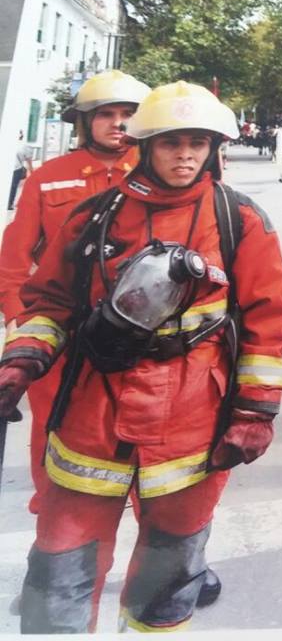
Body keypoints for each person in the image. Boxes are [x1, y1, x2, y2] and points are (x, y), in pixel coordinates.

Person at [0, 80, 282, 633]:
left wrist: (255, 411)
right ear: (145, 145)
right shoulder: (94, 215)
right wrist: (22, 359)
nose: (185, 155)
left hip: (192, 415)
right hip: (94, 406)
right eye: (171, 142)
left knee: (172, 566)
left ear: (213, 148)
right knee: (61, 557)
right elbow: (51, 301)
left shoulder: (240, 219)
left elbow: (268, 319)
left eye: (198, 143)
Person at [0, 70, 148, 517]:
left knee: (140, 424)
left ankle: (152, 523)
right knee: (53, 421)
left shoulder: (156, 174)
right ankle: (53, 511)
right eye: (106, 114)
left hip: (134, 328)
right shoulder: (49, 176)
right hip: (60, 325)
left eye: (128, 115)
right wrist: (18, 324)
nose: (117, 123)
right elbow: (13, 260)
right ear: (85, 121)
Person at [7, 131, 34, 210]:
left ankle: (9, 203)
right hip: (15, 168)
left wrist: (31, 171)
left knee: (11, 186)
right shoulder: (24, 146)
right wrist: (31, 171)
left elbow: (28, 159)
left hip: (15, 168)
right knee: (12, 187)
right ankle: (9, 203)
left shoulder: (23, 145)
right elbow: (28, 159)